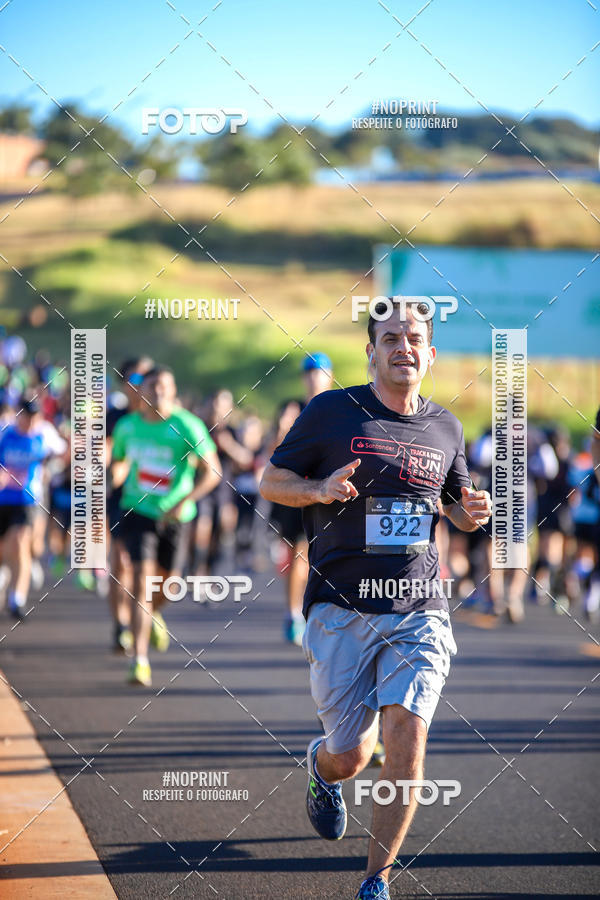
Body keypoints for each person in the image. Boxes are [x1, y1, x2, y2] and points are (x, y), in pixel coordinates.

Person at [260, 301, 491, 899]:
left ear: (430, 353)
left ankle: (376, 881)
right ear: (370, 350)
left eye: (414, 338)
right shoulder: (330, 411)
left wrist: (468, 512)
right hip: (341, 608)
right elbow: (270, 480)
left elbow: (455, 504)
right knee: (351, 756)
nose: (403, 348)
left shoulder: (447, 427)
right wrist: (316, 489)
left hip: (419, 607)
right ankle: (321, 768)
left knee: (407, 739)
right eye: (390, 338)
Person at [110, 367, 221, 686]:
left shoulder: (187, 425)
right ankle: (140, 660)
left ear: (173, 391)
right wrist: (114, 475)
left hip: (175, 517)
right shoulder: (128, 427)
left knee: (169, 585)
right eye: (152, 387)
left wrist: (187, 499)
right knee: (142, 583)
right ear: (142, 393)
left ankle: (153, 614)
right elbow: (119, 461)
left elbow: (213, 471)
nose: (158, 392)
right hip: (138, 510)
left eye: (164, 387)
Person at [0, 396, 65, 619]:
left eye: (34, 417)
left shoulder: (44, 433)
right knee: (6, 549)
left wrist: (52, 468)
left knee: (20, 543)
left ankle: (16, 599)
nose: (30, 422)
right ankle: (7, 571)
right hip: (2, 499)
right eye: (26, 416)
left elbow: (65, 451)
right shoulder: (5, 432)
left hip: (27, 499)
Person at [106, 357, 153, 653]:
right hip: (122, 498)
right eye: (136, 380)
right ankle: (121, 624)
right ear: (125, 385)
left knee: (154, 572)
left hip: (158, 504)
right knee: (122, 562)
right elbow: (105, 451)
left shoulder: (167, 419)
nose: (143, 386)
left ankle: (149, 613)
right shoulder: (116, 419)